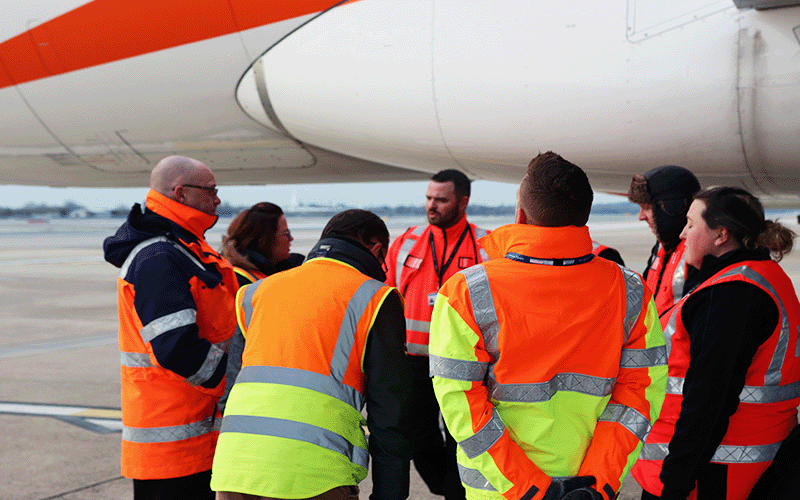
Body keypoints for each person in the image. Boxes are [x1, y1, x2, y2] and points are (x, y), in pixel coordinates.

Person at [429, 151, 667, 500]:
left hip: (502, 491)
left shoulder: (467, 291)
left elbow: (459, 404)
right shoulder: (630, 291)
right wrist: (597, 482)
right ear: (584, 215)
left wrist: (529, 488)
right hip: (588, 491)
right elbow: (641, 395)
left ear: (520, 214)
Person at [211, 209, 413, 500]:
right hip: (315, 476)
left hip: (236, 471)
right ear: (377, 249)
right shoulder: (375, 297)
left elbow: (230, 392)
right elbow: (390, 411)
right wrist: (390, 493)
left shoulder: (256, 292)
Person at [632, 186, 800, 500]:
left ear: (721, 234)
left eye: (692, 224)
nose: (683, 233)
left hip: (713, 475)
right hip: (743, 467)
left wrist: (675, 484)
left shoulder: (732, 296)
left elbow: (708, 402)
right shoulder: (760, 277)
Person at [103, 155, 238, 500]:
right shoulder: (159, 258)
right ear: (181, 193)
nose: (217, 199)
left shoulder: (185, 248)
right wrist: (235, 382)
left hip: (197, 436)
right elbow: (176, 348)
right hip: (173, 447)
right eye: (211, 190)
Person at [384, 169, 490, 500]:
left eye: (441, 200)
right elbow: (386, 299)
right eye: (429, 198)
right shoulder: (405, 243)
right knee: (418, 438)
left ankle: (457, 493)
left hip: (466, 365)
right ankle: (447, 488)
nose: (432, 205)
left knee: (463, 438)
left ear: (463, 202)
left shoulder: (486, 247)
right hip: (415, 362)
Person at [628, 166, 701, 315]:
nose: (641, 216)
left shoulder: (699, 253)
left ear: (671, 208)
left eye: (646, 207)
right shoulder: (661, 247)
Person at [220, 202, 304, 287]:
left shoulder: (274, 268)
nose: (291, 238)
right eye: (286, 233)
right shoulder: (240, 282)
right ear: (265, 241)